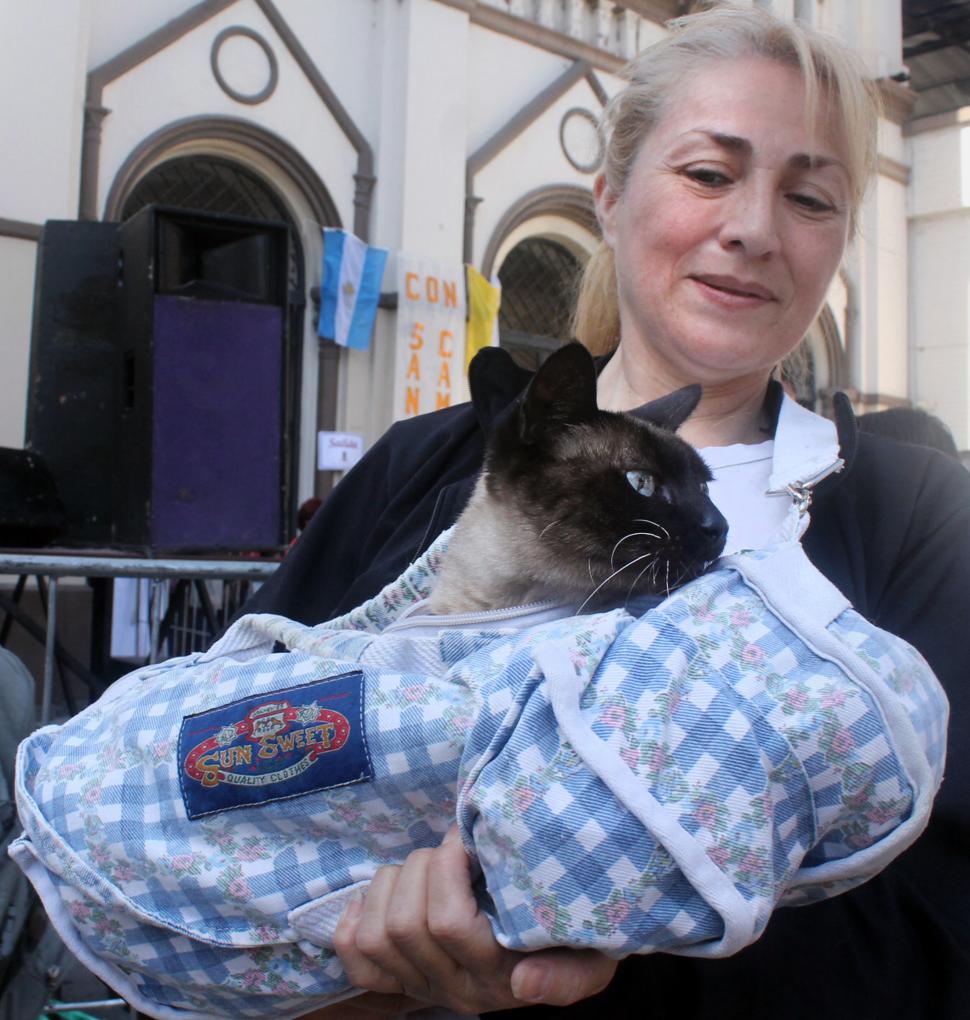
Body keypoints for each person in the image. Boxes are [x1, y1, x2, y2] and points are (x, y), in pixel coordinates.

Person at [240, 5, 970, 1018]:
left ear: (840, 237)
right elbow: (239, 763)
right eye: (709, 174)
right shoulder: (426, 464)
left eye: (808, 197)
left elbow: (943, 915)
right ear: (610, 196)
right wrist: (331, 963)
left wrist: (576, 945)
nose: (752, 229)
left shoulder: (913, 513)